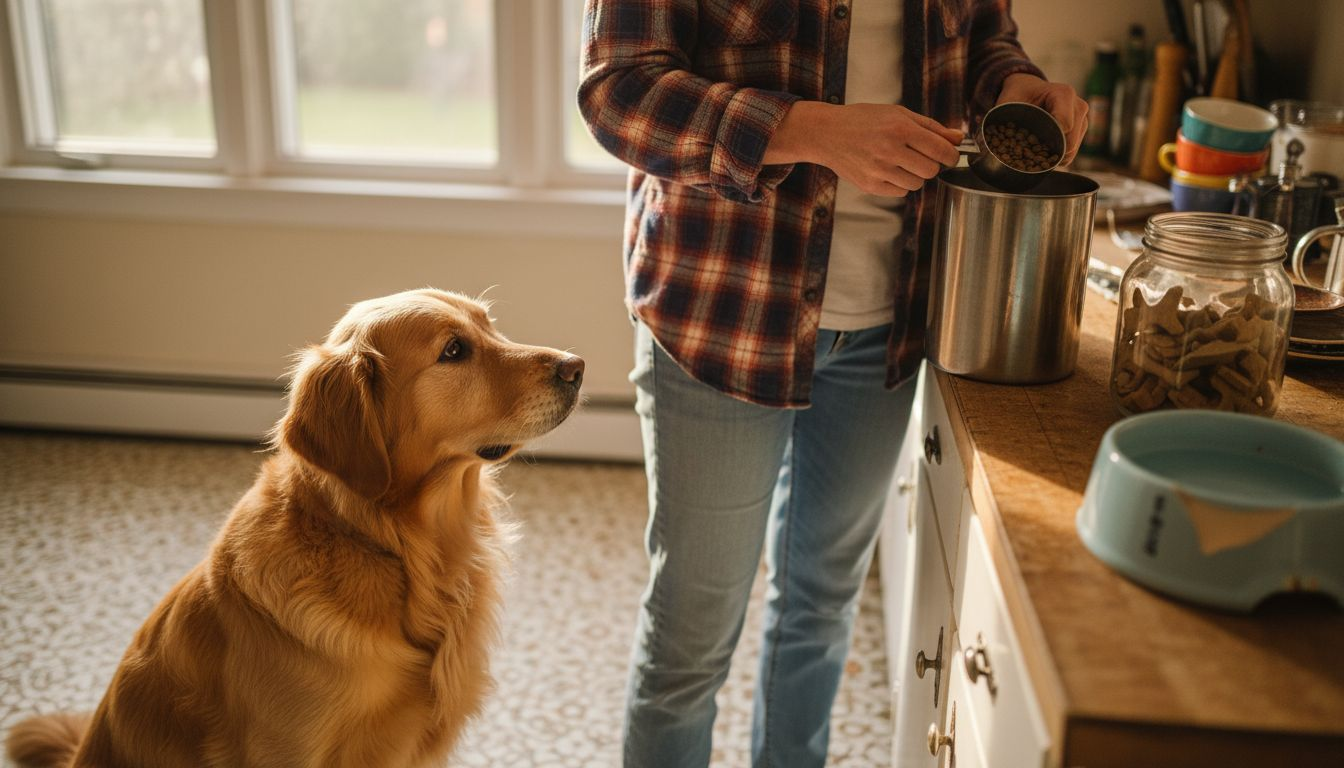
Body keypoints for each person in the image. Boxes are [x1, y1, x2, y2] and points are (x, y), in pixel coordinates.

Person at [577, 2, 1086, 766]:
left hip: (891, 319)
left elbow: (983, 38)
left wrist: (1014, 82)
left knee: (820, 605)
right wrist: (809, 129)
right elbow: (618, 91)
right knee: (693, 636)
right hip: (722, 311)